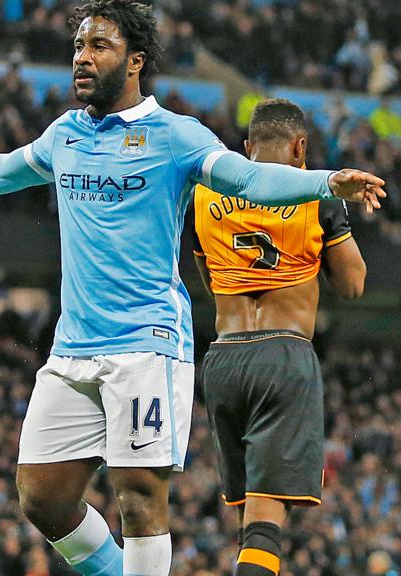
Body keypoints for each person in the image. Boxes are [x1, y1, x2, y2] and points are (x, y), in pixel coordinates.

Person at [0, 0, 385, 574]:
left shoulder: (176, 135)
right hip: (73, 345)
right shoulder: (65, 134)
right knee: (42, 496)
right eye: (79, 46)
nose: (82, 58)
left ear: (135, 61)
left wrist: (326, 183)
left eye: (99, 46)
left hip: (146, 342)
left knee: (138, 497)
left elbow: (247, 176)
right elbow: (3, 171)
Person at [192, 99, 367, 576]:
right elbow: (353, 285)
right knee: (267, 520)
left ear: (247, 148)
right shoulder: (316, 195)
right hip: (283, 355)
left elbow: (208, 279)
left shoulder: (205, 194)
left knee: (250, 517)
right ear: (301, 147)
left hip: (223, 358)